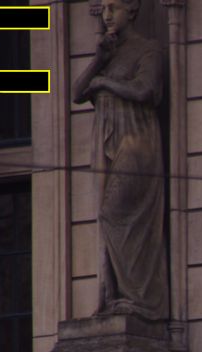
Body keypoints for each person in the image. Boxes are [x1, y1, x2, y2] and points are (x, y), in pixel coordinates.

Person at [73, 0, 169, 320]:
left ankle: (142, 299)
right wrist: (98, 61)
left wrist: (103, 82)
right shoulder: (108, 54)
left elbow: (146, 90)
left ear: (133, 10)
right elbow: (77, 92)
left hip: (137, 142)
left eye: (114, 7)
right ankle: (118, 295)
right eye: (103, 9)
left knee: (116, 212)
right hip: (108, 145)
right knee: (109, 215)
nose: (107, 15)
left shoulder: (148, 49)